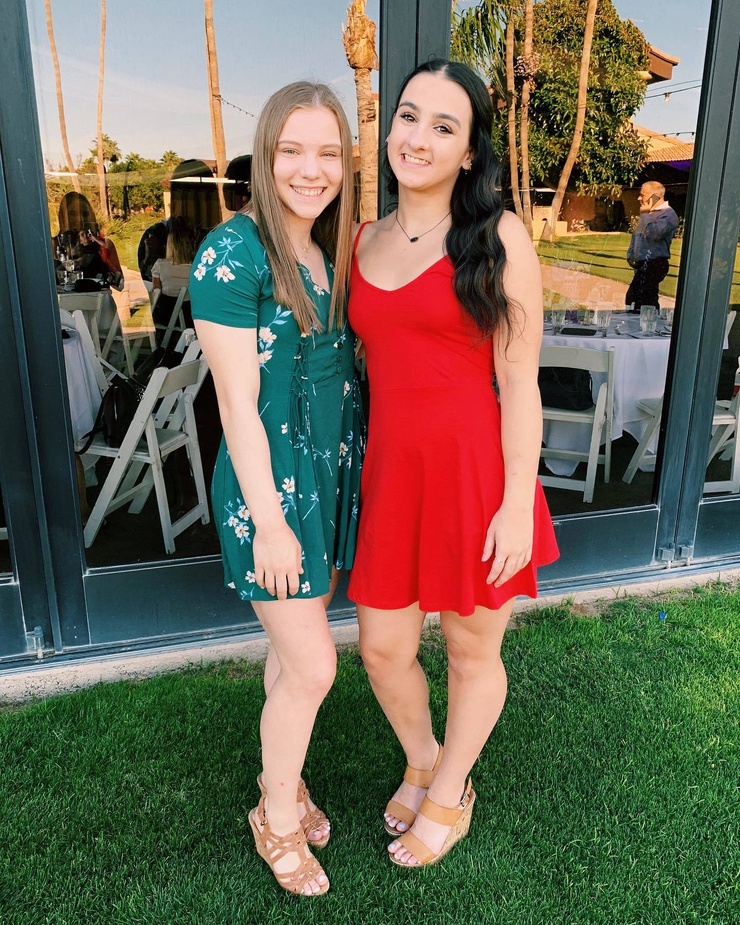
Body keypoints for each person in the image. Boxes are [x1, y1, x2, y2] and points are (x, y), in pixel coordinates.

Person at [347, 59, 559, 868]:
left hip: (479, 476)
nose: (418, 138)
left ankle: (448, 791)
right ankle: (424, 755)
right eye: (409, 116)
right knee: (382, 648)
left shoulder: (499, 236)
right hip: (393, 475)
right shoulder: (362, 239)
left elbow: (521, 380)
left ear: (470, 152)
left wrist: (516, 502)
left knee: (472, 653)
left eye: (444, 126)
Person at [190, 81, 361, 896]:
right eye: (292, 149)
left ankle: (282, 778)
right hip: (271, 486)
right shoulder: (234, 252)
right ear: (265, 153)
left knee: (292, 657)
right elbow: (235, 404)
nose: (310, 168)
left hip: (325, 475)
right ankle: (276, 815)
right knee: (317, 665)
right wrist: (270, 521)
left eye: (327, 152)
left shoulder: (328, 250)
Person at [625, 181, 679, 312]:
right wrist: (631, 254)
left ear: (655, 196)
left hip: (655, 262)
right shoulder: (648, 213)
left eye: (642, 195)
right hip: (642, 263)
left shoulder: (668, 214)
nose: (639, 198)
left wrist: (644, 215)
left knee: (646, 298)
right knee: (633, 298)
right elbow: (637, 235)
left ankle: (650, 321)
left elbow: (655, 234)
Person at [151, 219, 195, 338]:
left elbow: (156, 291)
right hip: (189, 316)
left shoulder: (160, 265)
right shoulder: (195, 268)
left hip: (166, 315)